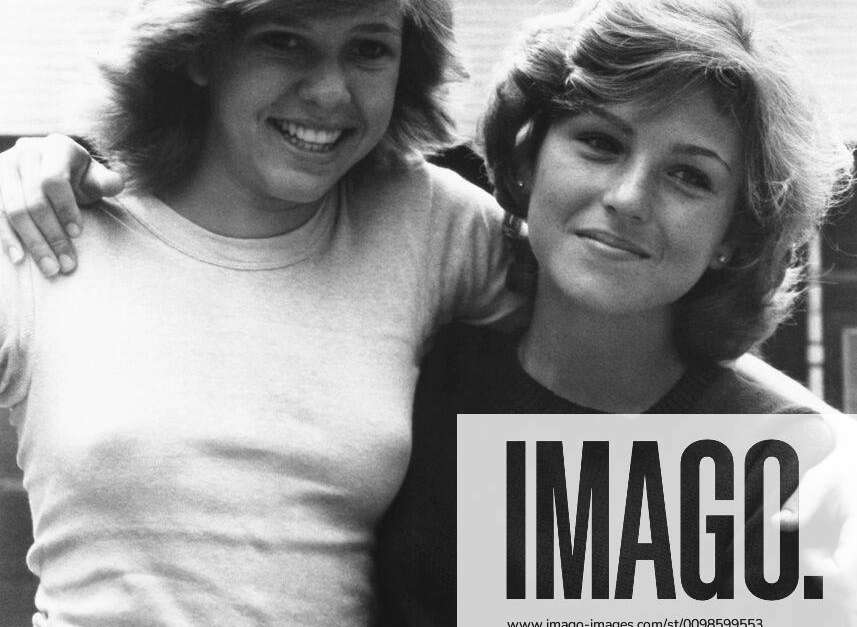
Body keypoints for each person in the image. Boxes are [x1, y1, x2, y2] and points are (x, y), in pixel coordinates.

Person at [0, 0, 521, 624]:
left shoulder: (434, 225)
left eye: (368, 49)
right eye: (285, 42)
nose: (331, 93)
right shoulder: (40, 233)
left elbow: (622, 358)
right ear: (197, 52)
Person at [373, 0, 855, 623]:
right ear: (526, 162)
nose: (628, 198)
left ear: (735, 233)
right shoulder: (426, 379)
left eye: (689, 176)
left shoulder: (782, 461)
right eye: (600, 142)